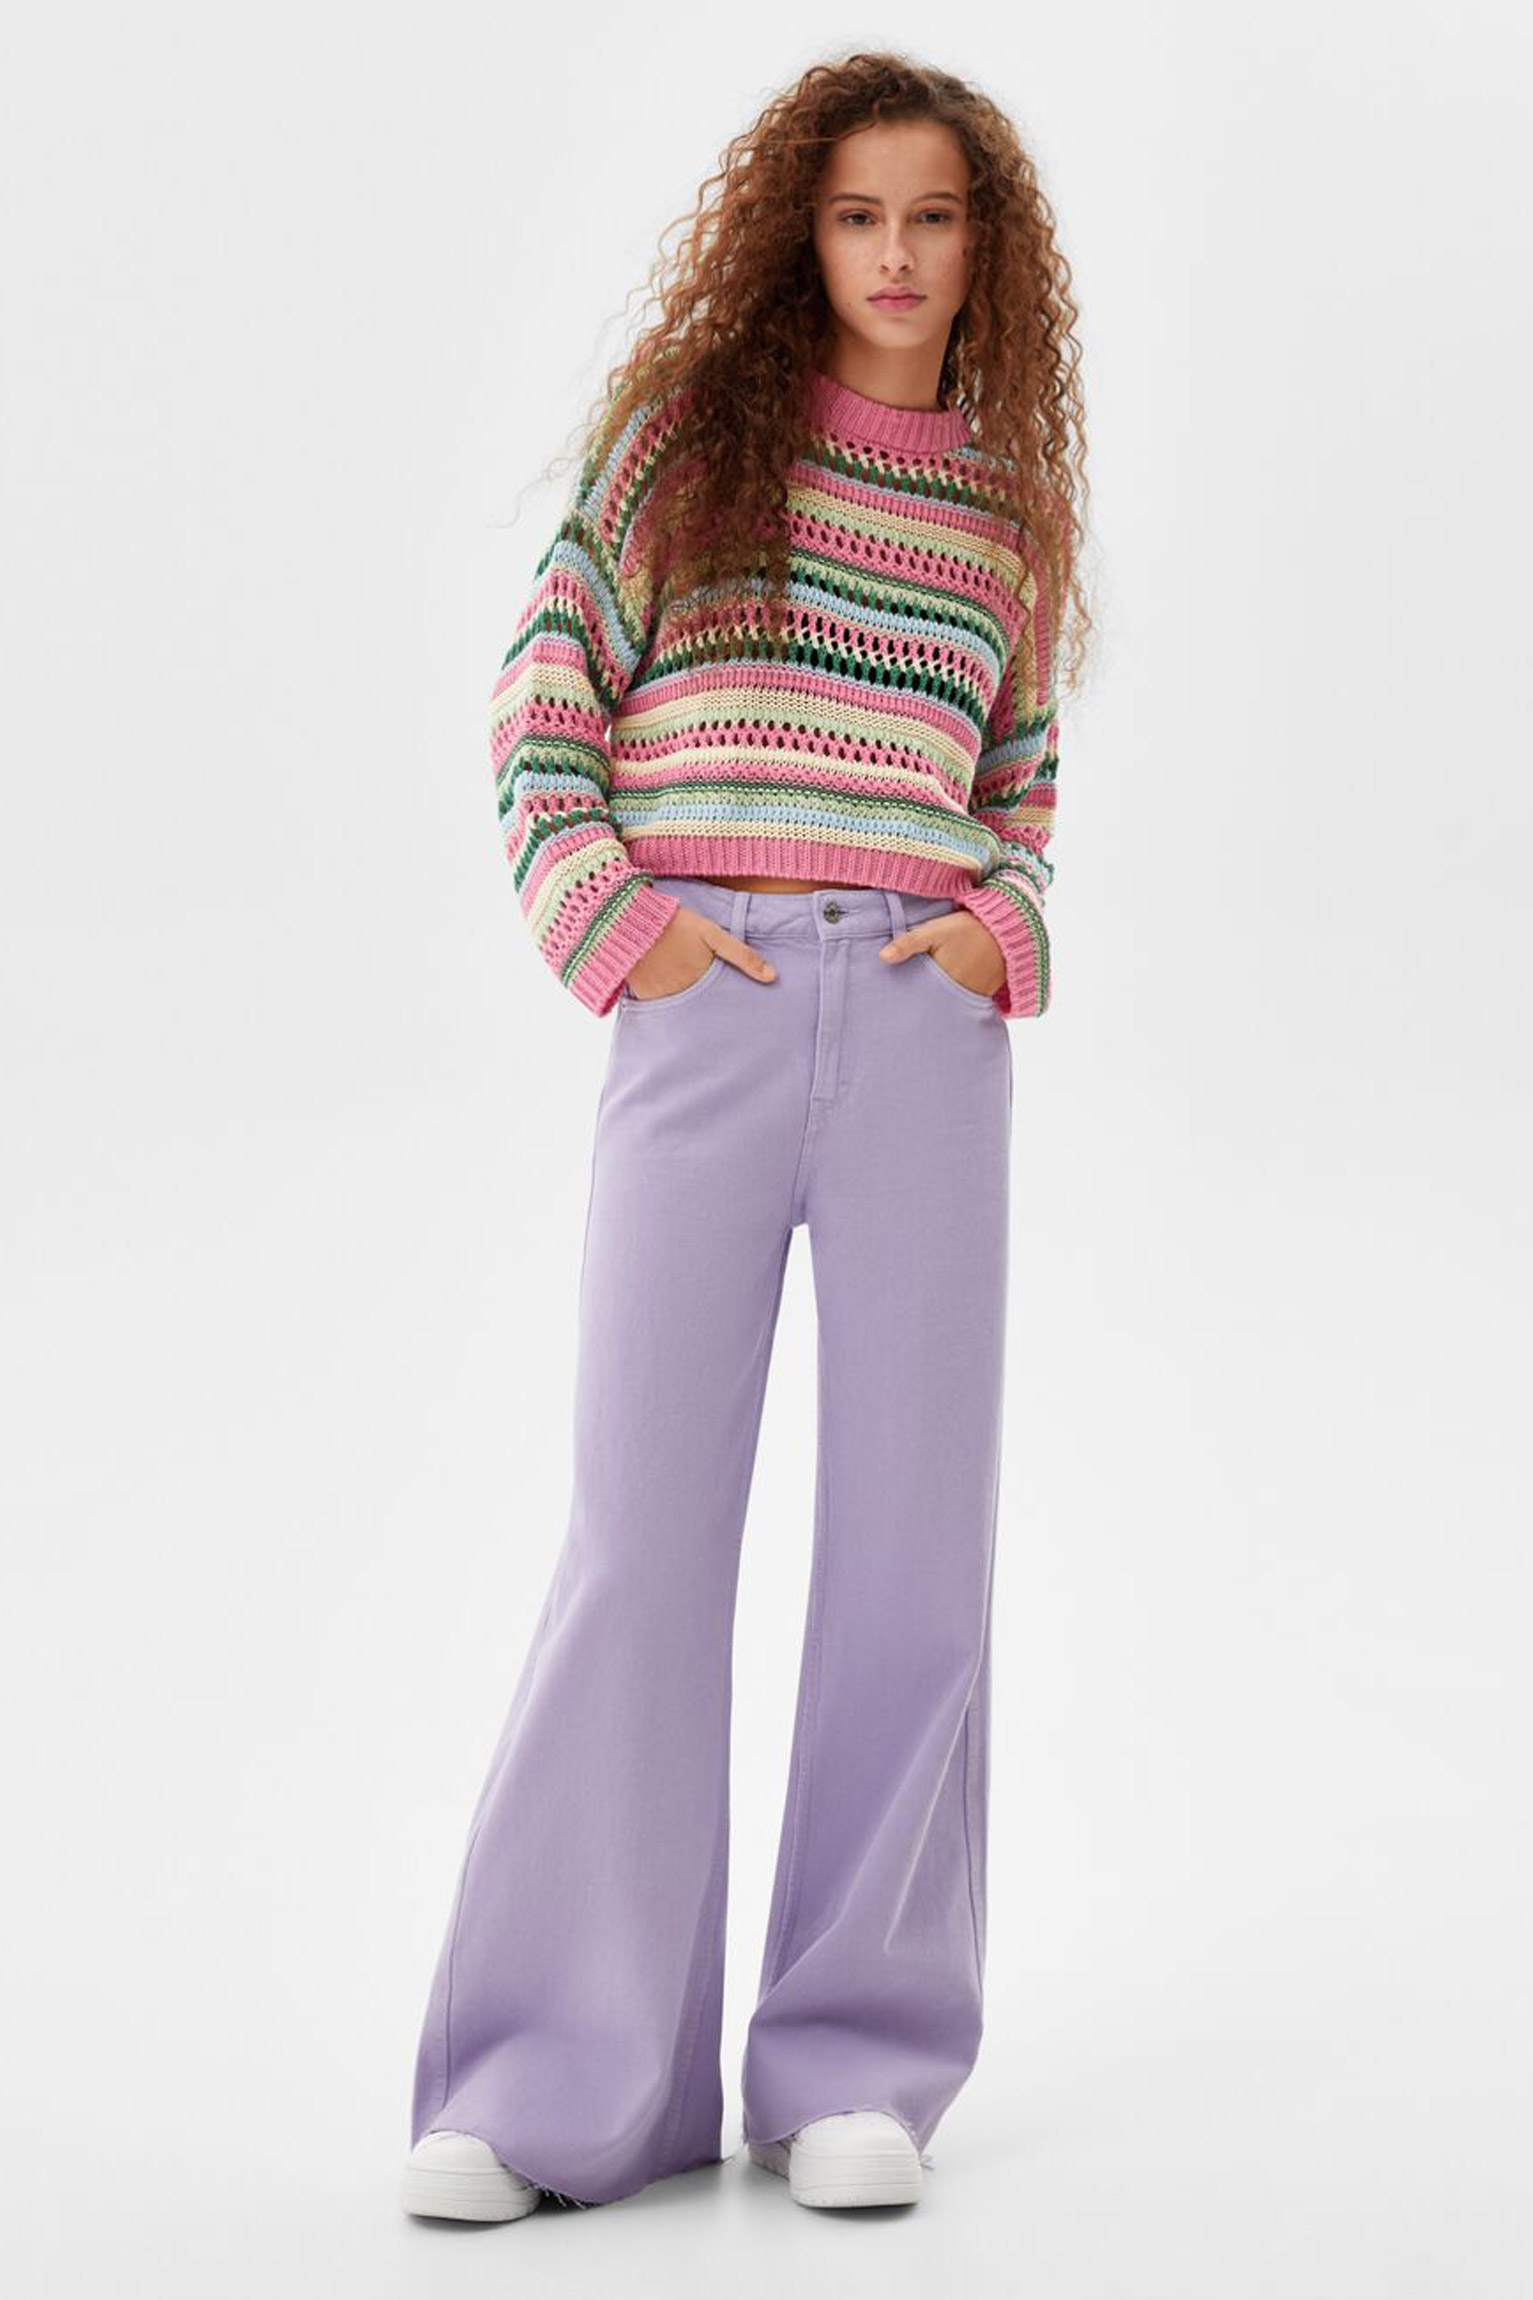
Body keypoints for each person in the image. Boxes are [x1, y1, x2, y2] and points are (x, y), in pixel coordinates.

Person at [401, 48, 1087, 2221]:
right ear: (801, 232)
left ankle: (853, 2061)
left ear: (983, 252)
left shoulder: (1003, 516)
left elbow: (1019, 783)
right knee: (639, 1530)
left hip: (921, 1028)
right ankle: (552, 2082)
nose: (895, 254)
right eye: (859, 214)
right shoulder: (684, 444)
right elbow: (543, 704)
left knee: (911, 1548)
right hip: (700, 1008)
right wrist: (621, 934)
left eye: (934, 217)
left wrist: (997, 933)